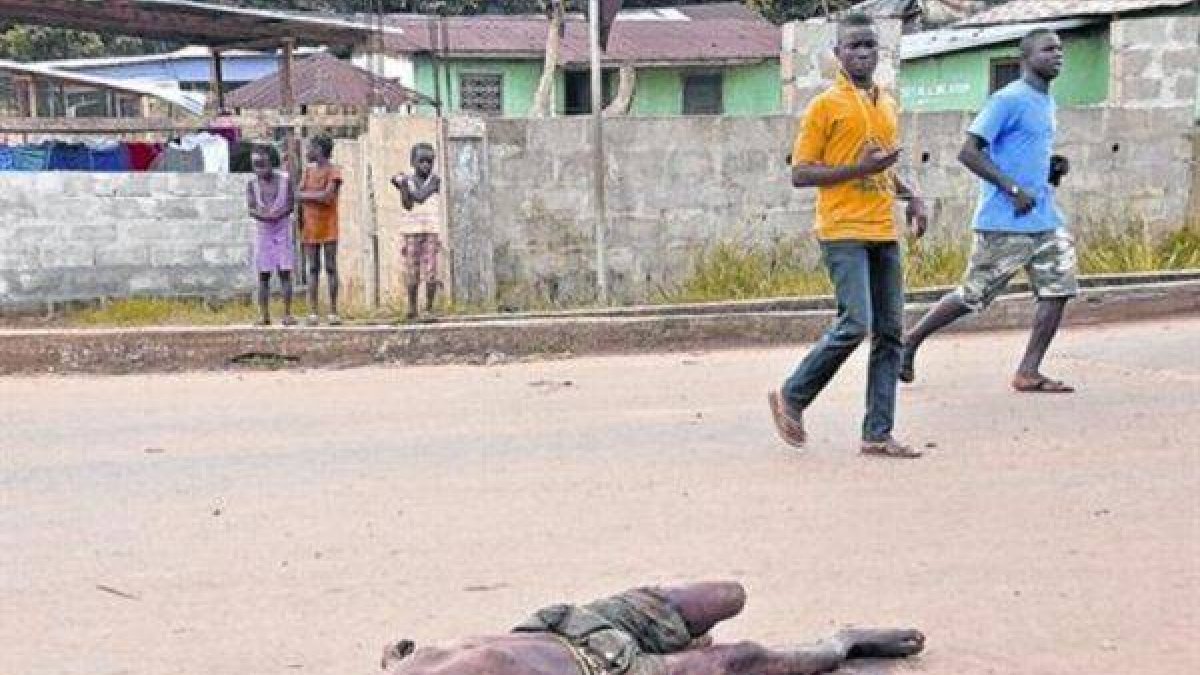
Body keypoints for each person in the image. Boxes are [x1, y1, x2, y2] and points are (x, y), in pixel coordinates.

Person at [768, 13, 929, 459]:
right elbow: (801, 173)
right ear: (837, 54)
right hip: (842, 230)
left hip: (883, 229)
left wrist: (912, 196)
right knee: (856, 323)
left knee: (891, 333)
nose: (862, 53)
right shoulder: (825, 106)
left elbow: (883, 168)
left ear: (880, 52)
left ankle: (878, 433)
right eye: (853, 46)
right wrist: (859, 169)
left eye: (869, 45)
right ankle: (793, 396)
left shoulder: (886, 103)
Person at [901, 29, 1078, 394]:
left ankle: (1028, 370)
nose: (1057, 55)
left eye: (1060, 49)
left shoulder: (1046, 101)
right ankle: (910, 340)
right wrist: (1011, 188)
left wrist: (1050, 168)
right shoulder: (1007, 99)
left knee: (1059, 288)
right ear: (1026, 58)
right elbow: (968, 152)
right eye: (1048, 49)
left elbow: (1023, 153)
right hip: (1005, 221)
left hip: (1044, 217)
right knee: (973, 295)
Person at [379, 581, 924, 675]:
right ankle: (839, 644)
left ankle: (690, 638)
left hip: (569, 621)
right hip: (612, 669)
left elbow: (393, 655)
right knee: (740, 659)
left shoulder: (404, 665)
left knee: (727, 595)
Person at [391, 142, 443, 321]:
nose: (426, 165)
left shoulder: (434, 180)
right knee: (412, 270)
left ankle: (428, 308)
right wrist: (403, 187)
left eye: (429, 162)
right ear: (413, 162)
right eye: (422, 161)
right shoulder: (409, 181)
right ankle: (412, 308)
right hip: (410, 230)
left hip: (431, 229)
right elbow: (407, 204)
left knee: (431, 270)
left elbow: (421, 197)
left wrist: (403, 184)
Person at [246, 146, 296, 326]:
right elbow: (251, 208)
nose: (259, 169)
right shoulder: (252, 185)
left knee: (285, 273)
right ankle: (264, 315)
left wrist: (277, 215)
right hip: (263, 232)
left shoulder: (285, 181)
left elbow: (290, 204)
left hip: (282, 230)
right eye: (256, 165)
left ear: (272, 162)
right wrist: (265, 216)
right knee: (264, 275)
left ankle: (287, 314)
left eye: (263, 164)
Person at [297, 134, 344, 326]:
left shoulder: (334, 171)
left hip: (328, 225)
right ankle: (313, 312)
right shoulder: (308, 171)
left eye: (310, 147)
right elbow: (298, 195)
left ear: (320, 149)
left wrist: (306, 196)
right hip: (310, 226)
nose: (307, 151)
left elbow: (327, 197)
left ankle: (333, 311)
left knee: (331, 267)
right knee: (313, 268)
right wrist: (314, 196)